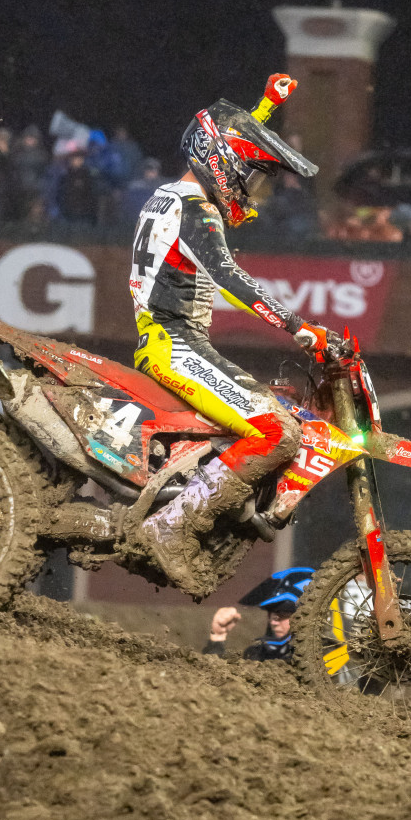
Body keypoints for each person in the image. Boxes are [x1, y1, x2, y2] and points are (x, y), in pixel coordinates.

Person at [129, 75, 328, 592]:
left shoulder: (170, 195)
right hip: (174, 344)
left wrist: (264, 108)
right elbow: (230, 278)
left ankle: (208, 513)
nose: (252, 192)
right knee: (277, 432)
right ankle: (172, 530)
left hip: (173, 340)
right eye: (251, 178)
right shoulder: (197, 212)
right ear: (224, 165)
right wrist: (297, 326)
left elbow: (222, 138)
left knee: (278, 410)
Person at [202, 566, 313, 661]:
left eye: (283, 615)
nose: (273, 622)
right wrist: (217, 637)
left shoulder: (324, 662)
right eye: (272, 614)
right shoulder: (259, 656)